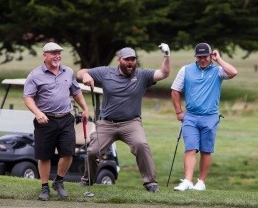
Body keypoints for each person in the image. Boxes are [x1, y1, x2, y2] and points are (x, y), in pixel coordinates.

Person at [77, 44, 171, 192]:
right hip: (107, 123)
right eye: (127, 59)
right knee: (93, 151)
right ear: (119, 60)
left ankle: (150, 183)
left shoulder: (142, 75)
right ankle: (87, 180)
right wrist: (85, 75)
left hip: (131, 123)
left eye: (133, 59)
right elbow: (81, 72)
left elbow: (164, 73)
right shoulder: (106, 73)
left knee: (141, 145)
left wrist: (166, 55)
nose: (131, 63)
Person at [24, 42, 89, 201]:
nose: (57, 56)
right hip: (45, 120)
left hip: (66, 118)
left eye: (59, 53)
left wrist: (85, 108)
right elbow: (28, 98)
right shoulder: (35, 75)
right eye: (53, 53)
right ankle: (44, 187)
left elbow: (76, 92)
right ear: (45, 55)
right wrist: (38, 113)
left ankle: (58, 181)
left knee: (68, 153)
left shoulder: (68, 72)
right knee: (44, 156)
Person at [171, 43, 238, 191]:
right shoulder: (186, 70)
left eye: (205, 57)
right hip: (191, 116)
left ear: (210, 56)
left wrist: (219, 59)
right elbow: (175, 91)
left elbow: (233, 72)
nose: (202, 60)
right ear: (195, 57)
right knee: (190, 148)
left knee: (206, 150)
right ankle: (187, 181)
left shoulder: (218, 70)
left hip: (210, 116)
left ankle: (201, 182)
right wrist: (178, 112)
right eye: (199, 57)